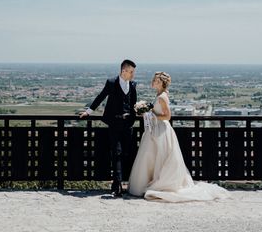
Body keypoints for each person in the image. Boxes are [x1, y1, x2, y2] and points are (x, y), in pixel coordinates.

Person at [128, 71, 229, 202]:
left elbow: (167, 116)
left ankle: (161, 183)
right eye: (154, 80)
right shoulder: (158, 94)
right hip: (155, 129)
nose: (153, 82)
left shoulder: (162, 97)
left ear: (162, 83)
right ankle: (151, 180)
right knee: (151, 156)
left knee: (160, 157)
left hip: (161, 130)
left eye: (156, 81)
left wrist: (152, 115)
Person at [79, 59, 137, 197]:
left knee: (125, 154)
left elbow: (133, 103)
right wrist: (88, 112)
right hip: (114, 124)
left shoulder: (133, 84)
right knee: (116, 153)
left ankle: (117, 184)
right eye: (131, 72)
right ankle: (117, 187)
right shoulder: (111, 83)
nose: (133, 75)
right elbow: (100, 97)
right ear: (124, 70)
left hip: (128, 125)